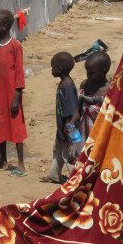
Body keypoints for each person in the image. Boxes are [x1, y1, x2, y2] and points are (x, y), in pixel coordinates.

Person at [0, 10, 28, 177]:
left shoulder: (15, 46)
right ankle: (3, 159)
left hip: (11, 93)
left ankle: (21, 164)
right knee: (0, 124)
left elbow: (19, 72)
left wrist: (17, 96)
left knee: (16, 126)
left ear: (3, 27)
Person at [47, 52, 78, 184]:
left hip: (70, 128)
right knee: (58, 151)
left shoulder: (68, 86)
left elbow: (70, 112)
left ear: (59, 69)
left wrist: (67, 131)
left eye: (52, 67)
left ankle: (77, 178)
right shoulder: (64, 84)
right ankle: (54, 176)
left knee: (70, 154)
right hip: (63, 128)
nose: (51, 69)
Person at [76, 52, 111, 142]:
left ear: (104, 71)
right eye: (87, 72)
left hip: (101, 138)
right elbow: (78, 109)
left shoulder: (111, 91)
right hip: (84, 134)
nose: (88, 75)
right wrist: (71, 124)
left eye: (92, 73)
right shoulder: (85, 84)